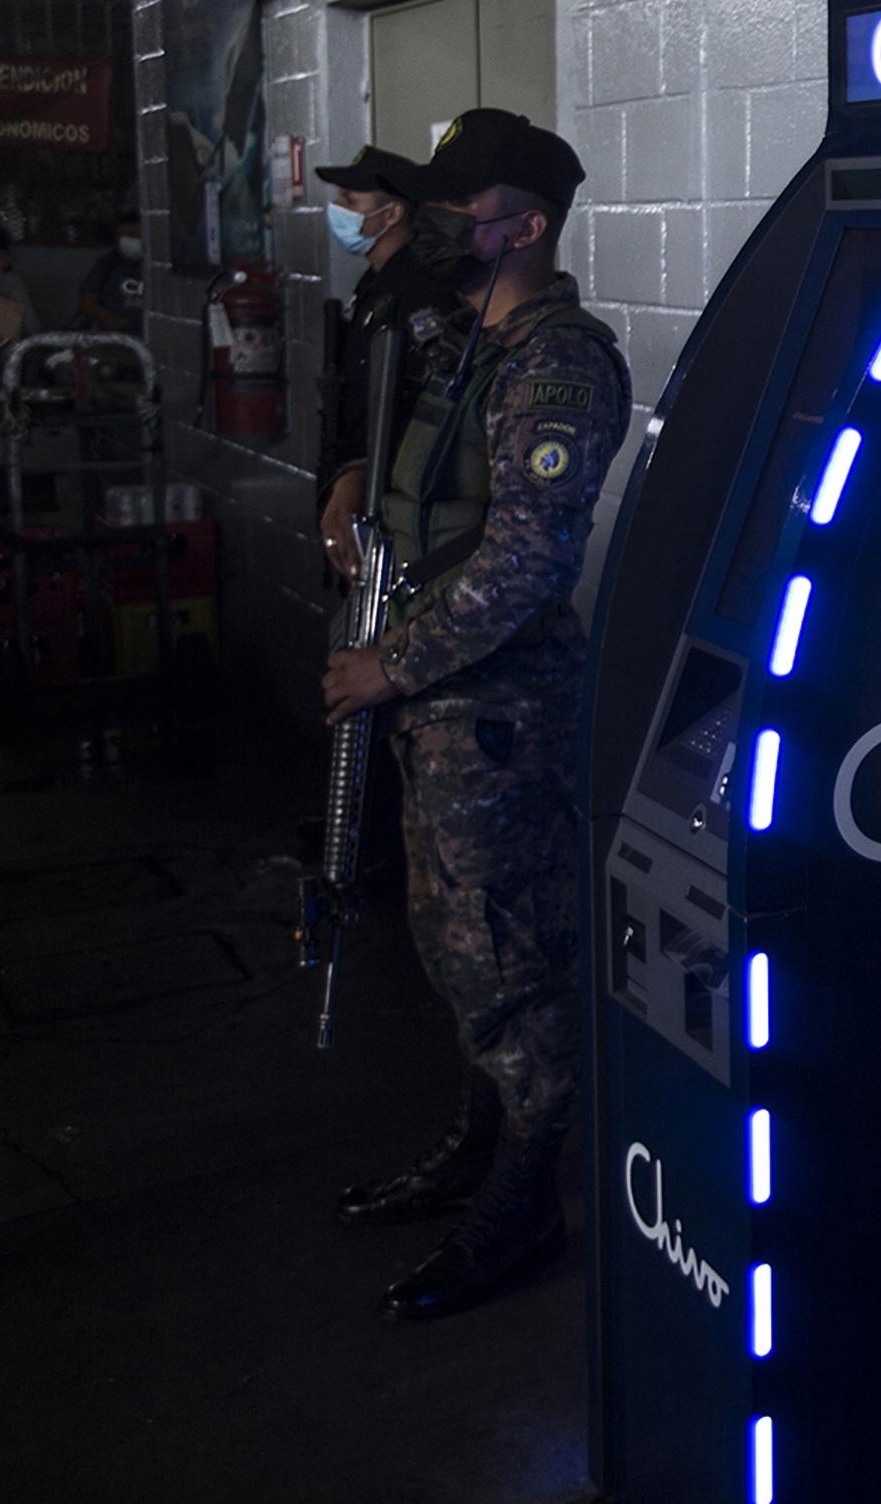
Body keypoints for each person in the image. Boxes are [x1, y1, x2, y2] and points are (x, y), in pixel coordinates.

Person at [316, 109, 629, 1322]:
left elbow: (526, 564)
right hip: (438, 706)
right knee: (457, 951)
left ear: (528, 225)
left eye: (465, 210)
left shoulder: (559, 363)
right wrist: (352, 472)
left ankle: (523, 1205)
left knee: (512, 965)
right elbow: (401, 440)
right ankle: (478, 1142)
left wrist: (387, 666)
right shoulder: (465, 340)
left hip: (498, 711)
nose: (440, 224)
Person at [310, 145, 466, 575]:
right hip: (361, 496)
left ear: (392, 214)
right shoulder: (375, 286)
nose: (337, 208)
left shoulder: (420, 292)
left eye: (350, 200)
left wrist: (361, 476)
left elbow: (419, 409)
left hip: (394, 506)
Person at [77, 209, 144, 333]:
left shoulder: (160, 265)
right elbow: (87, 301)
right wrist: (106, 317)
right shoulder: (107, 263)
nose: (131, 241)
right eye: (125, 237)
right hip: (114, 338)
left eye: (135, 236)